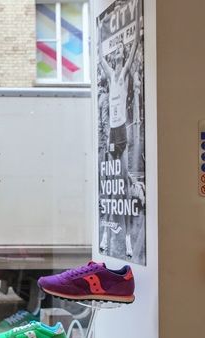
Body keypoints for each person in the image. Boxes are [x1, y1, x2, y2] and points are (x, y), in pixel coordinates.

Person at [98, 0, 142, 258]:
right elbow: (100, 56)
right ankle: (106, 236)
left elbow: (134, 46)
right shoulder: (109, 74)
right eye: (113, 57)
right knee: (110, 189)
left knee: (122, 189)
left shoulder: (123, 75)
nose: (115, 59)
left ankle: (126, 242)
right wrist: (100, 28)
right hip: (111, 135)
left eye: (118, 56)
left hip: (121, 133)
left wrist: (136, 23)